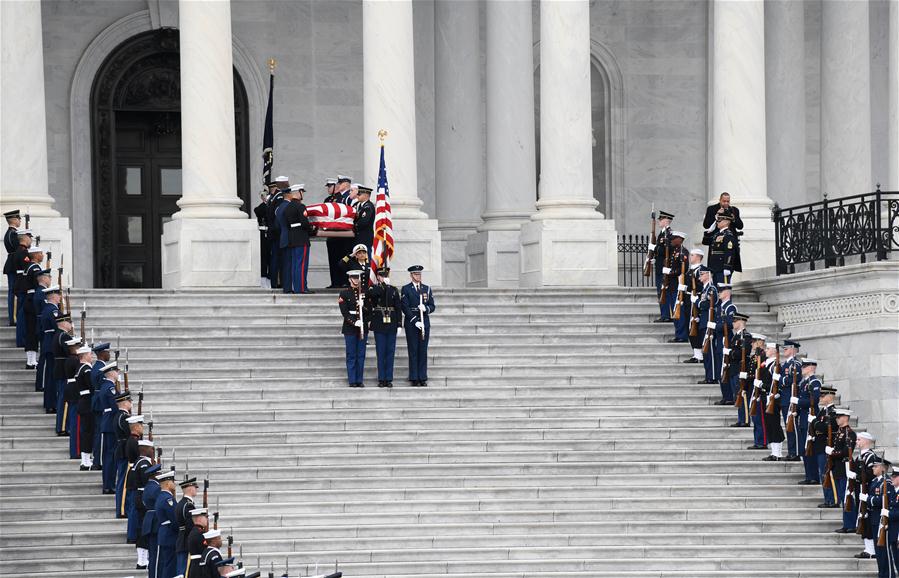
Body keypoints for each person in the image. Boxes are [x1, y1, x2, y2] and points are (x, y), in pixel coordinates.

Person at [401, 265, 435, 387]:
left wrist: (426, 308)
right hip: (412, 322)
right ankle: (414, 377)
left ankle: (422, 376)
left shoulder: (427, 288)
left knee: (423, 350)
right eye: (415, 274)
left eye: (419, 274)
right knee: (413, 349)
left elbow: (432, 305)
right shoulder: (406, 289)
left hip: (424, 321)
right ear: (411, 275)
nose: (418, 276)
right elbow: (404, 307)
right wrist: (415, 320)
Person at [367, 266, 402, 388]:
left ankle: (389, 378)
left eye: (386, 276)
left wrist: (399, 324)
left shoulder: (393, 290)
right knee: (381, 352)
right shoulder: (374, 288)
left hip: (391, 322)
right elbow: (374, 295)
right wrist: (384, 286)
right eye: (382, 276)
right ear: (378, 277)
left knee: (390, 352)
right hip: (379, 323)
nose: (385, 278)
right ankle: (381, 378)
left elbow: (398, 308)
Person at [865, 458, 898, 578]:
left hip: (882, 520)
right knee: (879, 552)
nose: (873, 468)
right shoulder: (875, 481)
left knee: (884, 552)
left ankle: (888, 575)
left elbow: (883, 501)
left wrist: (868, 499)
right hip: (874, 520)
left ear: (883, 468)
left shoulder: (887, 483)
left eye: (875, 466)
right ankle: (882, 574)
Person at [338, 270, 370, 388]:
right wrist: (354, 321)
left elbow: (370, 311)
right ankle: (352, 380)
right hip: (350, 328)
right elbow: (344, 312)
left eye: (357, 278)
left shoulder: (365, 292)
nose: (356, 280)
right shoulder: (344, 293)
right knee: (351, 354)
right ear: (349, 279)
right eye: (354, 278)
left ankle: (359, 380)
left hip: (362, 327)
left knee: (361, 354)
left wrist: (364, 307)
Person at [810, 382, 839, 507]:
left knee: (828, 474)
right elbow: (815, 426)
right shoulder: (822, 411)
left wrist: (815, 423)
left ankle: (833, 500)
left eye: (822, 396)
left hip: (827, 447)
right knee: (823, 474)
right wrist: (816, 424)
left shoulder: (834, 412)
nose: (820, 398)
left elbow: (824, 427)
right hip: (820, 447)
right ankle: (827, 499)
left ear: (830, 396)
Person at [796, 358, 824, 485]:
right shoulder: (804, 383)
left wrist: (798, 402)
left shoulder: (815, 382)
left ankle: (813, 476)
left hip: (811, 418)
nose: (802, 369)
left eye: (805, 366)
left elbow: (815, 401)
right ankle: (809, 475)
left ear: (812, 367)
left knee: (810, 448)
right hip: (803, 418)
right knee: (804, 448)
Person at [830, 408, 857, 532]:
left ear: (845, 418)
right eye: (836, 417)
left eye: (839, 417)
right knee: (842, 496)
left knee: (847, 497)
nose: (837, 419)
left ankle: (850, 525)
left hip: (845, 468)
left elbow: (847, 451)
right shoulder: (840, 431)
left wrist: (833, 453)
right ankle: (847, 524)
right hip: (838, 469)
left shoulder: (849, 433)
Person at [283, 184, 314, 294]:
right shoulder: (300, 206)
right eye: (302, 192)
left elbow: (287, 224)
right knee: (302, 265)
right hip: (301, 238)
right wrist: (312, 229)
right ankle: (301, 288)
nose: (303, 194)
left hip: (292, 238)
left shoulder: (288, 207)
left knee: (295, 264)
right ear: (298, 193)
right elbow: (305, 223)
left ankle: (296, 287)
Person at [702, 192, 743, 274]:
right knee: (714, 267)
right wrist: (716, 215)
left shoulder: (734, 210)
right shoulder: (712, 209)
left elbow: (740, 226)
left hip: (729, 240)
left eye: (728, 201)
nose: (726, 203)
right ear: (720, 200)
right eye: (724, 201)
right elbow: (706, 225)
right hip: (717, 241)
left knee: (729, 264)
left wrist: (733, 218)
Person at [758, 341, 786, 461]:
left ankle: (778, 453)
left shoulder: (775, 364)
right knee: (769, 424)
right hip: (766, 397)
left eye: (769, 349)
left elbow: (775, 384)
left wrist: (762, 386)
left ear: (775, 351)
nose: (766, 351)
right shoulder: (768, 363)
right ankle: (774, 452)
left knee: (774, 424)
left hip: (772, 398)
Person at [853, 432, 879, 559]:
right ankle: (868, 548)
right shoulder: (860, 456)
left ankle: (871, 550)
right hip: (860, 491)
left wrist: (856, 477)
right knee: (863, 518)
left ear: (866, 441)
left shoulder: (870, 457)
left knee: (866, 519)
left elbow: (870, 474)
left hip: (867, 491)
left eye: (859, 440)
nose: (857, 442)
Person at [132, 445, 157, 569]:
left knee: (142, 528)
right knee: (144, 529)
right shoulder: (144, 464)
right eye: (152, 449)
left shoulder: (139, 462)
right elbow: (146, 480)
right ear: (146, 449)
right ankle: (142, 560)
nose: (153, 451)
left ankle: (142, 559)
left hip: (140, 496)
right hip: (143, 497)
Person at [779, 339, 802, 461]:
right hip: (784, 399)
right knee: (789, 427)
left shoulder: (795, 364)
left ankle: (795, 452)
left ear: (793, 349)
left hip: (791, 399)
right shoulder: (786, 364)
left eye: (786, 348)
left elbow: (794, 380)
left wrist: (781, 380)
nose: (784, 350)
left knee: (793, 426)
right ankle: (791, 451)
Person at [726, 312, 751, 425]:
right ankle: (740, 419)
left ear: (741, 322)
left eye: (735, 321)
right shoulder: (736, 336)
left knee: (742, 394)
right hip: (734, 369)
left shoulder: (746, 336)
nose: (733, 323)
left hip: (740, 370)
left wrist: (730, 352)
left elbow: (743, 353)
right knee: (737, 394)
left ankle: (745, 419)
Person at [696, 266, 719, 385]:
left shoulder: (711, 289)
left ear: (708, 275)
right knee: (705, 352)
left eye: (702, 274)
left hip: (709, 323)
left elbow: (709, 304)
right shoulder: (705, 289)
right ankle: (708, 375)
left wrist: (697, 302)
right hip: (703, 322)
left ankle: (713, 376)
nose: (700, 277)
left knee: (709, 351)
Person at [665, 232, 689, 343]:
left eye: (673, 238)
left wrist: (670, 272)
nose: (671, 240)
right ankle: (678, 334)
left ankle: (682, 335)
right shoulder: (674, 251)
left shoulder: (683, 252)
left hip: (677, 286)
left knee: (679, 311)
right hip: (671, 285)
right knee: (674, 312)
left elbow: (683, 270)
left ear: (680, 239)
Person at [154, 468, 179, 578]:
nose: (174, 484)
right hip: (170, 535)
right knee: (170, 565)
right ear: (168, 484)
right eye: (173, 482)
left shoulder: (162, 496)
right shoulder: (168, 499)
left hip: (166, 533)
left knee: (167, 563)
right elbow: (174, 518)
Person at [650, 211, 674, 322]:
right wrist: (655, 258)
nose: (659, 221)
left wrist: (654, 248)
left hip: (664, 268)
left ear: (666, 220)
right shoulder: (662, 233)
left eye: (661, 219)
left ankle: (666, 315)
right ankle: (664, 314)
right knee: (661, 291)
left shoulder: (668, 234)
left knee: (664, 291)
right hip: (660, 266)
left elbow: (665, 250)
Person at [683, 248, 705, 364]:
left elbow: (702, 286)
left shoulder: (702, 270)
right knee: (690, 327)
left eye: (692, 255)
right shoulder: (690, 270)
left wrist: (695, 296)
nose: (690, 257)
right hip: (688, 301)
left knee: (695, 327)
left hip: (696, 301)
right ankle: (696, 354)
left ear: (698, 257)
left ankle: (700, 354)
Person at [703, 212, 737, 284]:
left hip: (722, 268)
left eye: (719, 220)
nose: (717, 222)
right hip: (714, 267)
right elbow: (705, 242)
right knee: (715, 290)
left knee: (722, 290)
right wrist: (708, 232)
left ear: (726, 222)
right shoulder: (717, 234)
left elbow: (729, 252)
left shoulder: (728, 235)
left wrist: (727, 267)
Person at [175, 476, 199, 575]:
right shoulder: (188, 505)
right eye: (195, 487)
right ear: (189, 488)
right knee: (185, 570)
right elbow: (190, 526)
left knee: (182, 569)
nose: (196, 489)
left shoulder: (181, 503)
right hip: (186, 541)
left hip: (182, 539)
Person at [142, 463, 163, 576]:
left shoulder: (148, 487)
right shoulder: (156, 488)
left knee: (153, 554)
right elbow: (161, 505)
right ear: (156, 475)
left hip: (150, 521)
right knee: (156, 555)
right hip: (155, 522)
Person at [323, 178, 343, 288]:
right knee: (332, 259)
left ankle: (342, 281)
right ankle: (335, 282)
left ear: (336, 186)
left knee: (340, 259)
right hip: (330, 234)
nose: (328, 188)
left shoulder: (341, 198)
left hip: (340, 235)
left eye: (330, 186)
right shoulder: (327, 199)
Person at [3, 209, 21, 325]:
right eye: (18, 218)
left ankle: (14, 318)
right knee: (13, 293)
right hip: (14, 265)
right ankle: (13, 318)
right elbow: (17, 250)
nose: (20, 220)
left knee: (13, 293)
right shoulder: (12, 234)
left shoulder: (12, 233)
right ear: (14, 220)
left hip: (13, 264)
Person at [252, 190, 270, 288]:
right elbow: (258, 211)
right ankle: (263, 279)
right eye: (263, 196)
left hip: (271, 234)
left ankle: (270, 278)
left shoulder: (271, 206)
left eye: (266, 196)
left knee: (271, 257)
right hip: (263, 234)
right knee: (264, 257)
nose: (265, 197)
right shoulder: (260, 208)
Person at [353, 186, 375, 256]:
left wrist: (352, 226)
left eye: (359, 194)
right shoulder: (356, 205)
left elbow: (363, 222)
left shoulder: (368, 207)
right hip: (356, 237)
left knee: (366, 258)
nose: (357, 196)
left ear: (366, 195)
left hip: (365, 237)